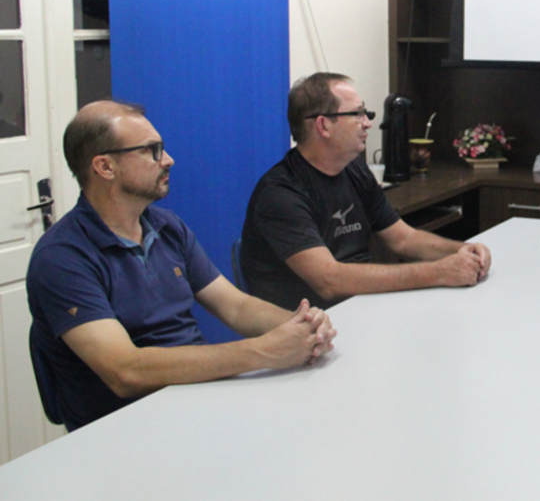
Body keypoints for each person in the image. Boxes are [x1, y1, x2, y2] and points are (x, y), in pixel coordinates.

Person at [26, 101, 336, 432]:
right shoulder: (62, 258)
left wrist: (300, 327)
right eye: (152, 151)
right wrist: (265, 351)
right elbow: (124, 371)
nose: (168, 160)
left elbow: (235, 306)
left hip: (193, 401)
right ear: (105, 167)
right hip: (122, 430)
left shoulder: (166, 226)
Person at [240, 73, 492, 310]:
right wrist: (439, 271)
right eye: (358, 114)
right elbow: (330, 281)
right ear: (324, 125)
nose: (368, 123)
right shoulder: (280, 194)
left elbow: (404, 239)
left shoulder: (355, 171)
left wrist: (463, 251)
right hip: (307, 330)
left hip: (360, 307)